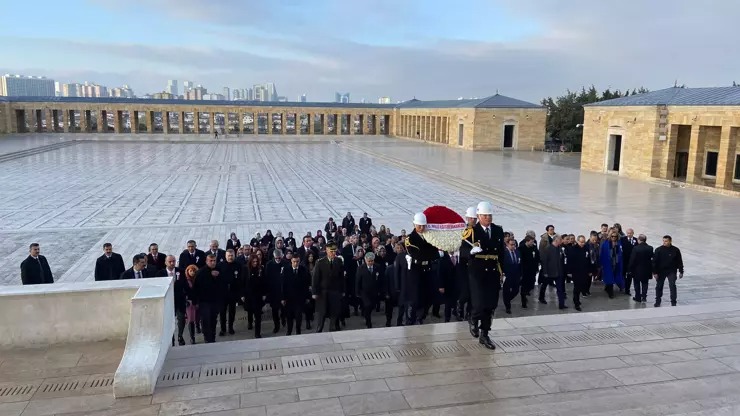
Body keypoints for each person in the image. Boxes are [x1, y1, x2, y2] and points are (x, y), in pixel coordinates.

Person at [465, 202, 505, 350]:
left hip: (493, 271)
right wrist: (470, 252)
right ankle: (473, 319)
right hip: (478, 271)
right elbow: (463, 249)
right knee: (479, 303)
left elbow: (501, 253)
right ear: (478, 216)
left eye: (489, 215)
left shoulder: (497, 230)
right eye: (485, 215)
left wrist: (503, 271)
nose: (488, 218)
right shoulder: (472, 231)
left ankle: (485, 334)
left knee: (491, 305)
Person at [403, 212, 443, 326]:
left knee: (429, 296)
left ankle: (421, 316)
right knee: (415, 297)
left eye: (423, 225)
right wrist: (432, 253)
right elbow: (419, 254)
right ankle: (411, 318)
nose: (421, 228)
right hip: (416, 269)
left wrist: (432, 253)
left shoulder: (429, 236)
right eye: (419, 225)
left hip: (428, 268)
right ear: (414, 224)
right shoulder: (410, 239)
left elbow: (433, 252)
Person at [311, 240, 345, 332]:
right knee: (322, 313)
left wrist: (342, 291)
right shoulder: (320, 262)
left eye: (334, 251)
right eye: (331, 251)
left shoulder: (339, 261)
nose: (333, 253)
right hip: (323, 292)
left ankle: (333, 329)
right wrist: (314, 292)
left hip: (335, 291)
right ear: (326, 250)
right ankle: (319, 329)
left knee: (334, 312)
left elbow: (341, 278)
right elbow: (315, 279)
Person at [193, 254, 226, 343]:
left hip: (215, 301)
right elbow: (196, 287)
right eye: (210, 261)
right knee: (205, 320)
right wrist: (195, 302)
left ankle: (213, 336)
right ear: (206, 261)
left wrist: (218, 277)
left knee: (213, 319)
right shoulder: (201, 272)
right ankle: (207, 338)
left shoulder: (219, 270)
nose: (213, 263)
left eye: (214, 261)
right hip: (204, 301)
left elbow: (223, 284)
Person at [457, 207, 477, 321]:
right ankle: (460, 307)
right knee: (465, 292)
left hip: (476, 266)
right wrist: (471, 252)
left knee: (473, 293)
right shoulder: (464, 232)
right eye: (471, 218)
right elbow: (463, 250)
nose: (473, 220)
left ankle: (469, 313)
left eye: (475, 218)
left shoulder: (479, 231)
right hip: (465, 266)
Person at [652, 235, 684, 307]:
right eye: (663, 241)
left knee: (672, 285)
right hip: (661, 271)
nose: (664, 242)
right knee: (659, 286)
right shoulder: (658, 250)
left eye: (666, 241)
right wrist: (655, 272)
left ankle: (673, 302)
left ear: (670, 241)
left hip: (671, 271)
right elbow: (654, 262)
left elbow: (679, 261)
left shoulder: (675, 250)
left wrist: (681, 271)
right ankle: (658, 301)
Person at [282, 256, 311, 335]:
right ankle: (289, 331)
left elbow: (306, 285)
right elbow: (283, 284)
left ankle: (298, 331)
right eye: (294, 261)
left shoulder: (303, 269)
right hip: (289, 298)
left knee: (298, 316)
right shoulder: (286, 269)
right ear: (291, 261)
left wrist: (307, 297)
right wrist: (283, 298)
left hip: (300, 298)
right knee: (289, 317)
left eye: (297, 261)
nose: (296, 263)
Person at [218, 249, 243, 336]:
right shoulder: (220, 265)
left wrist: (239, 293)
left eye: (232, 255)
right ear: (225, 256)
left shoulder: (238, 265)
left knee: (232, 312)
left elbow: (240, 279)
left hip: (233, 292)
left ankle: (231, 327)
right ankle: (223, 329)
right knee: (222, 312)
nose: (230, 257)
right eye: (229, 256)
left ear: (234, 255)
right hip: (223, 293)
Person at [540, 235, 566, 309]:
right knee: (544, 285)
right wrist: (545, 272)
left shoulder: (560, 249)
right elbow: (544, 261)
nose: (561, 241)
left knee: (560, 288)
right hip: (550, 272)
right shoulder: (548, 249)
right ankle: (541, 297)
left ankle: (561, 304)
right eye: (560, 240)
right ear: (556, 240)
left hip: (559, 272)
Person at [244, 254, 266, 338]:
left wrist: (264, 294)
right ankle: (250, 322)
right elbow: (243, 282)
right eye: (253, 262)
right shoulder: (246, 269)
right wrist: (242, 294)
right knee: (250, 311)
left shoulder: (261, 269)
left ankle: (257, 332)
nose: (255, 263)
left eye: (257, 261)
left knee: (258, 315)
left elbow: (264, 282)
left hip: (258, 295)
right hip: (249, 295)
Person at [356, 252, 379, 328]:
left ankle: (366, 315)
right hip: (364, 291)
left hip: (374, 291)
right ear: (365, 260)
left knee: (371, 306)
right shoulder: (361, 268)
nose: (370, 263)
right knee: (367, 305)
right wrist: (357, 292)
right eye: (369, 261)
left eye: (372, 261)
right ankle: (368, 322)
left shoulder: (377, 267)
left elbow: (381, 279)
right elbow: (358, 281)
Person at [567, 236, 591, 311]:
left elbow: (589, 260)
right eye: (581, 242)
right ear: (577, 241)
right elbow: (570, 261)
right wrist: (569, 272)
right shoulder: (573, 249)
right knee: (577, 288)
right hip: (576, 272)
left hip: (584, 271)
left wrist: (590, 270)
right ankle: (576, 303)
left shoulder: (586, 248)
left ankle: (577, 300)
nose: (582, 243)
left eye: (583, 242)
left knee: (582, 286)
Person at [629, 234, 653, 303]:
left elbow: (632, 260)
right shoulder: (650, 248)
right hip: (647, 269)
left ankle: (638, 297)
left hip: (637, 270)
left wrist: (629, 269)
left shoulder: (636, 248)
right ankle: (644, 296)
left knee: (636, 284)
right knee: (645, 283)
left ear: (639, 240)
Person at [600, 231, 625, 298]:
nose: (614, 238)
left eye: (615, 236)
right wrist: (601, 264)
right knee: (609, 277)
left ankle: (608, 288)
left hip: (616, 263)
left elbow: (620, 254)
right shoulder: (606, 243)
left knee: (615, 275)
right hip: (608, 263)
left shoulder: (619, 243)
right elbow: (602, 254)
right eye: (612, 236)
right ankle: (610, 293)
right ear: (610, 236)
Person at [501, 238, 522, 314]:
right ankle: (507, 306)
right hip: (507, 275)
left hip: (516, 275)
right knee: (506, 291)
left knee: (516, 290)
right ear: (507, 244)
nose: (513, 246)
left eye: (514, 244)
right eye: (511, 245)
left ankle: (507, 300)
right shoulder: (504, 253)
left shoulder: (517, 252)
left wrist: (520, 274)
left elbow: (520, 263)